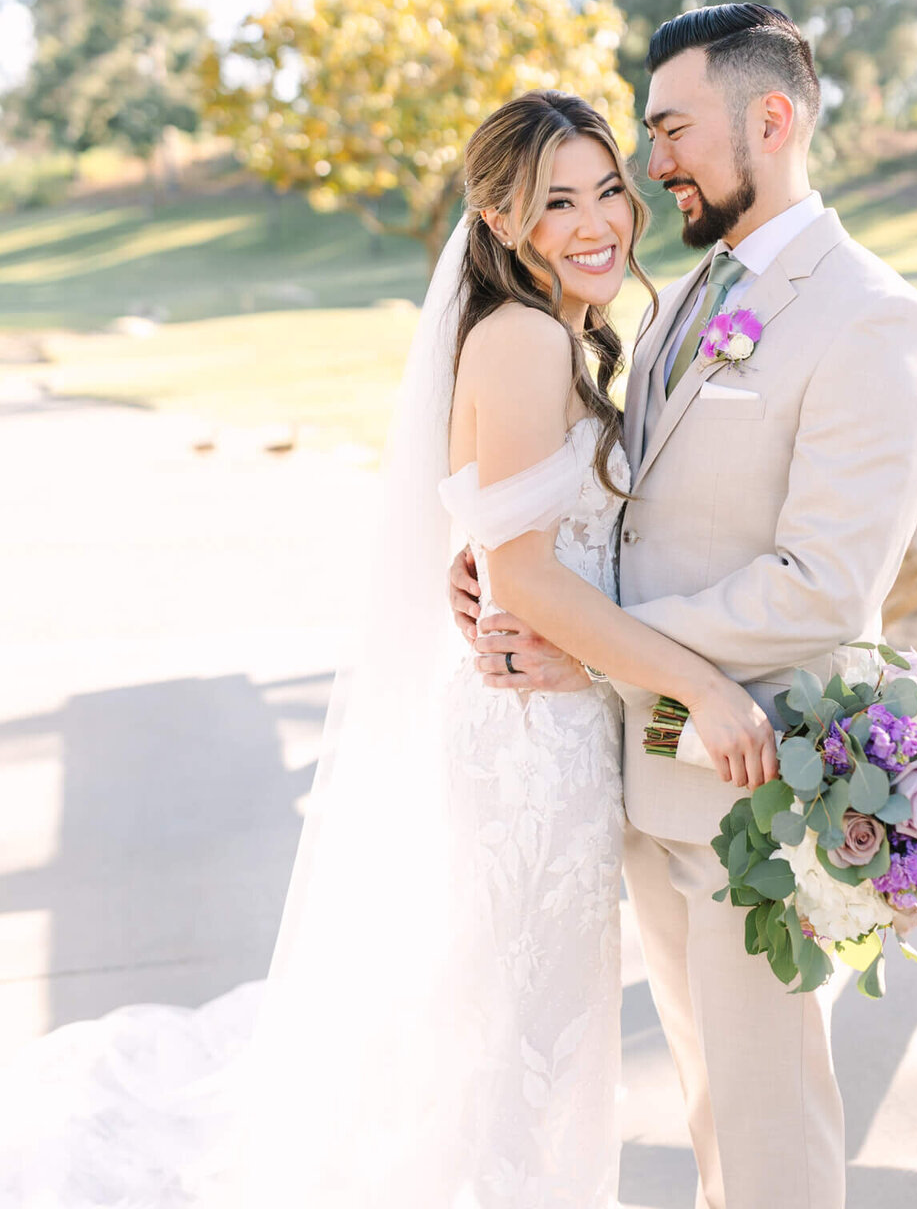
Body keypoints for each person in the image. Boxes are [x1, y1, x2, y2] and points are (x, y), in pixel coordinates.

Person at [0, 87, 775, 1209]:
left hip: (550, 718)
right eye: (557, 200)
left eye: (610, 186)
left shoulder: (561, 330)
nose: (599, 217)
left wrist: (525, 586)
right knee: (521, 1034)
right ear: (503, 222)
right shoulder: (522, 340)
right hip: (528, 742)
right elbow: (519, 571)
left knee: (515, 1027)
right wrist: (698, 679)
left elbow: (515, 547)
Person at [451, 3, 917, 1209]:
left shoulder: (872, 318)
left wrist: (605, 658)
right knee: (711, 1104)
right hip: (647, 780)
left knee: (771, 1115)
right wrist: (493, 567)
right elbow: (615, 515)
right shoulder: (680, 302)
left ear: (769, 118)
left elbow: (821, 585)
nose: (651, 164)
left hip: (757, 785)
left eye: (670, 130)